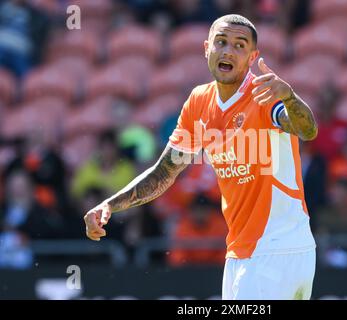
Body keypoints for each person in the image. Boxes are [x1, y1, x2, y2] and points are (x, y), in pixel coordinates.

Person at [84, 14, 318, 300]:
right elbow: (164, 172)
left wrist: (291, 99)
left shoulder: (262, 95)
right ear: (206, 47)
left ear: (252, 56)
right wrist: (109, 205)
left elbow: (307, 130)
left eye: (239, 45)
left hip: (276, 249)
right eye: (221, 42)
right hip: (243, 252)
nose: (228, 51)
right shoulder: (199, 102)